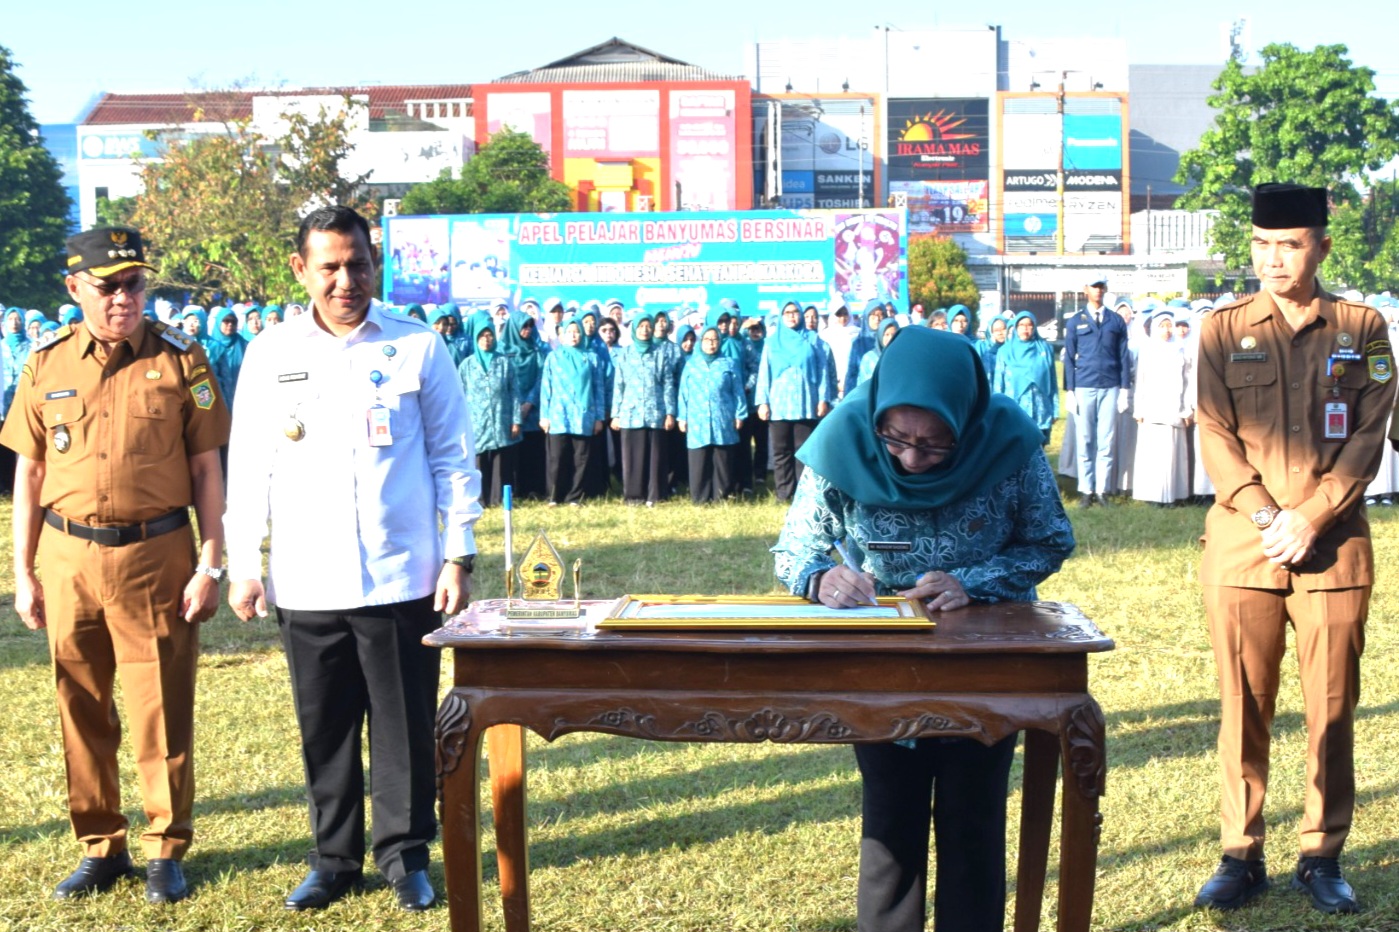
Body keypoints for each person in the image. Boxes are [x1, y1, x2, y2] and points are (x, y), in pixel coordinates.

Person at [772, 326, 1074, 932]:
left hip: (985, 656)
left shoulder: (1009, 441)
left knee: (973, 815)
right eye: (898, 439)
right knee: (889, 817)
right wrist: (820, 579)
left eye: (937, 445)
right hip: (881, 659)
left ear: (968, 418)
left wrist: (972, 581)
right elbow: (794, 549)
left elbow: (1049, 540)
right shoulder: (845, 436)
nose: (912, 459)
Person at [224, 206, 482, 913]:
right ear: (300, 270)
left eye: (358, 264)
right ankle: (333, 859)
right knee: (326, 725)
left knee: (402, 725)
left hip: (401, 573)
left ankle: (404, 856)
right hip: (308, 578)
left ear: (377, 265)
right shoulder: (270, 352)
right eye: (330, 266)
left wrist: (458, 551)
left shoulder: (417, 347)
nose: (345, 280)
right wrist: (243, 561)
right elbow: (249, 467)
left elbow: (453, 458)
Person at [0, 226, 229, 904]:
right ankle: (101, 845)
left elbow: (206, 468)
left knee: (161, 704)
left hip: (157, 555)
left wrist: (210, 561)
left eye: (134, 284)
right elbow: (30, 473)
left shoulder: (181, 358)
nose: (125, 297)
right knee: (81, 704)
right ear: (74, 289)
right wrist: (23, 571)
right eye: (109, 286)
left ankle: (164, 846)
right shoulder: (44, 365)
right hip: (68, 556)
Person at [1192, 183, 1394, 916]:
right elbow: (1212, 432)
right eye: (1260, 244)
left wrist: (1310, 516)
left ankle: (1320, 853)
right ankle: (1238, 854)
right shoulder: (1220, 329)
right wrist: (1265, 512)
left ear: (1320, 246)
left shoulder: (1362, 328)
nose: (1272, 259)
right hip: (1243, 546)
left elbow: (1369, 431)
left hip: (1332, 546)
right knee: (1241, 706)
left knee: (1330, 708)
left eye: (1289, 243)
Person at [1063, 273, 1132, 506]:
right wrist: (1070, 390)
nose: (1098, 291)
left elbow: (1123, 356)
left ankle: (1102, 490)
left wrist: (1124, 389)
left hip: (1110, 385)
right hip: (1084, 385)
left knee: (1106, 440)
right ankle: (1086, 490)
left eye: (1102, 286)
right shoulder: (1075, 321)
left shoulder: (1115, 320)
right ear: (1086, 290)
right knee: (1085, 440)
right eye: (1094, 287)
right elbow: (1069, 359)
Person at [756, 301, 835, 503]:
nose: (792, 316)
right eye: (787, 312)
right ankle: (783, 493)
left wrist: (823, 399)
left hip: (806, 403)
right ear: (781, 316)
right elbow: (765, 373)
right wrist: (762, 402)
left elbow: (822, 372)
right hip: (779, 405)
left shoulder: (812, 340)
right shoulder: (772, 343)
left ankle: (803, 494)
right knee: (781, 451)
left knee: (804, 451)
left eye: (795, 312)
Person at [610, 310, 677, 506]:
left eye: (648, 326)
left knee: (656, 457)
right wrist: (616, 414)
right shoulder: (625, 354)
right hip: (630, 413)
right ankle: (634, 496)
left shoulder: (660, 353)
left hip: (656, 413)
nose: (645, 330)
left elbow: (668, 384)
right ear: (634, 329)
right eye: (641, 326)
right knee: (632, 457)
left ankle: (655, 495)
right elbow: (619, 385)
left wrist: (670, 412)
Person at [539, 313, 607, 505]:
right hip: (559, 415)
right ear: (562, 335)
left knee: (581, 458)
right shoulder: (553, 357)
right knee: (557, 458)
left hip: (584, 415)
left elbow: (598, 388)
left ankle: (575, 496)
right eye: (569, 331)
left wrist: (599, 417)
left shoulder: (592, 358)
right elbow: (546, 388)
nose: (573, 335)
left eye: (577, 331)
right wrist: (544, 416)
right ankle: (554, 496)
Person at [678, 324, 748, 502]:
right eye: (707, 340)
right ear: (700, 342)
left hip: (723, 417)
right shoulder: (691, 365)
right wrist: (682, 416)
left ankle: (721, 496)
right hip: (697, 419)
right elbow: (683, 393)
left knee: (722, 458)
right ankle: (700, 497)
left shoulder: (729, 364)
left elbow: (738, 391)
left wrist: (740, 414)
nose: (711, 344)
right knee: (699, 459)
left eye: (715, 339)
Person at [1130, 308, 1191, 505]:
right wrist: (1139, 409)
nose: (1167, 330)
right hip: (1153, 410)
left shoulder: (1181, 349)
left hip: (1175, 408)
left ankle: (1173, 494)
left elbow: (1188, 381)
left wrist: (1187, 408)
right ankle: (1153, 495)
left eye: (1169, 326)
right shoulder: (1148, 350)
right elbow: (1141, 381)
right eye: (1163, 326)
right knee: (1154, 454)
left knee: (1173, 454)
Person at [459, 311, 521, 506]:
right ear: (476, 338)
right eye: (482, 336)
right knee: (479, 463)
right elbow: (459, 397)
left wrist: (516, 420)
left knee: (501, 462)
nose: (486, 340)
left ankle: (498, 499)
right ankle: (480, 498)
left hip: (501, 421)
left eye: (489, 335)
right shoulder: (467, 365)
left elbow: (515, 393)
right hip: (476, 424)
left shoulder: (504, 363)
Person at [993, 311, 1058, 445]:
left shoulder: (1045, 349)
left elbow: (1052, 381)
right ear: (1016, 327)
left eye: (1029, 325)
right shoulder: (1005, 352)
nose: (1025, 329)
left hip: (1041, 411)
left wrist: (1054, 409)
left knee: (1039, 456)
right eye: (1021, 325)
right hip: (1015, 411)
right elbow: (998, 385)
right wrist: (998, 411)